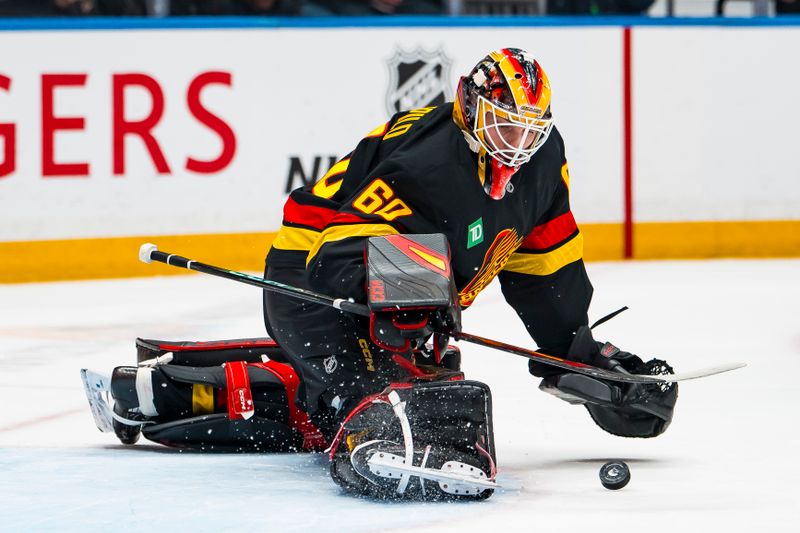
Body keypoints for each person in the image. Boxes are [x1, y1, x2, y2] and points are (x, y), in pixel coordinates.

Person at [85, 48, 677, 501]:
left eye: (530, 128)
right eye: (504, 124)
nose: (517, 142)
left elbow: (544, 268)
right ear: (471, 106)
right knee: (393, 395)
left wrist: (578, 357)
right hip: (313, 285)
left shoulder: (543, 162)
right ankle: (364, 424)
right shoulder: (429, 161)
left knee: (363, 399)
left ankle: (163, 390)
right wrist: (414, 315)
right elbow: (338, 255)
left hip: (402, 295)